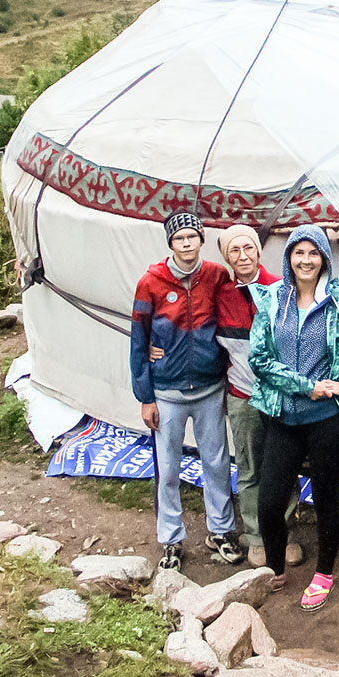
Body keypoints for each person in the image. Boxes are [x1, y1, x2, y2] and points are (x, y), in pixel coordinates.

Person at [248, 224, 339, 609]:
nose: (306, 260)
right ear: (288, 257)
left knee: (328, 499)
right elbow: (258, 360)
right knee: (270, 502)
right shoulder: (272, 300)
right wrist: (304, 385)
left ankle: (324, 573)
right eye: (299, 253)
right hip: (283, 417)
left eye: (314, 253)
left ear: (324, 258)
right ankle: (275, 568)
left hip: (329, 419)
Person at [130, 211, 248, 571]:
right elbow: (139, 341)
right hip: (167, 391)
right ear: (170, 243)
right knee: (168, 468)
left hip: (210, 387)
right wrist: (145, 396)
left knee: (215, 461)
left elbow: (235, 315)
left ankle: (222, 530)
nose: (186, 244)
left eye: (192, 237)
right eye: (179, 238)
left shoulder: (216, 276)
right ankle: (170, 538)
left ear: (201, 240)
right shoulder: (150, 283)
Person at [213, 225, 304, 570]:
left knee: (284, 466)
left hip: (280, 396)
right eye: (234, 251)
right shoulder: (220, 294)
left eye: (248, 248)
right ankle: (256, 537)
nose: (243, 256)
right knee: (250, 468)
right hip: (243, 395)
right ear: (226, 257)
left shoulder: (282, 288)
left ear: (259, 251)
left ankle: (286, 532)